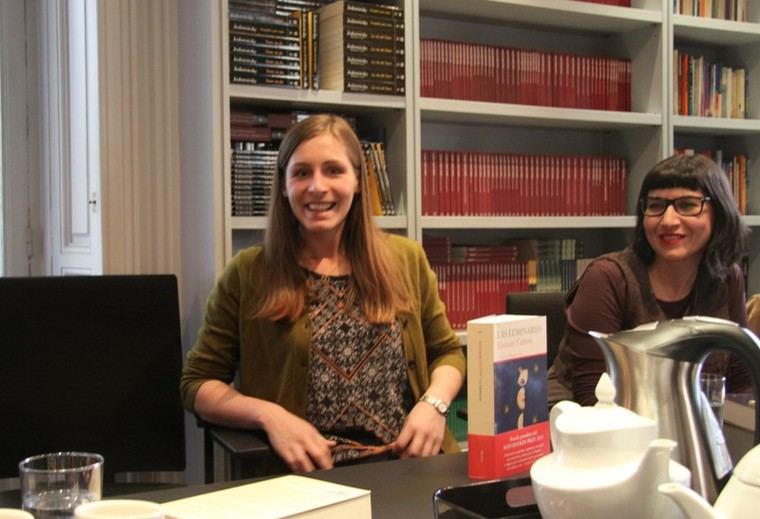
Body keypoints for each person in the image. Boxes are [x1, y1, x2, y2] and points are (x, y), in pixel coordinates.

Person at [180, 114, 465, 473]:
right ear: (284, 186)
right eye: (301, 173)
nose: (317, 187)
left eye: (333, 170)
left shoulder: (406, 259)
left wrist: (434, 404)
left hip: (406, 467)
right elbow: (197, 383)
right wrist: (270, 416)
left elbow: (447, 353)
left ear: (357, 181)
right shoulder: (248, 272)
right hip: (304, 479)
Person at [548, 153, 750, 406]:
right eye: (655, 206)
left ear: (719, 213)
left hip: (688, 421)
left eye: (687, 205)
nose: (668, 221)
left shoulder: (726, 276)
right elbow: (594, 398)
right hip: (585, 421)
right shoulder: (608, 277)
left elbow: (743, 383)